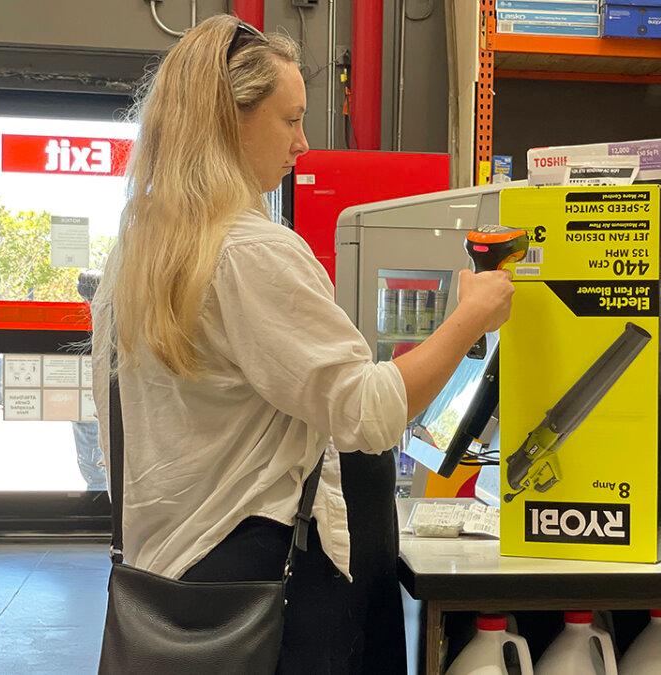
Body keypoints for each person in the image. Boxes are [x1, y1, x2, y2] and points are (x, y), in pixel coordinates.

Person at [89, 15, 513, 672]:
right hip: (268, 581)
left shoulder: (140, 258)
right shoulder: (252, 252)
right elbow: (369, 412)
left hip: (168, 570)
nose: (304, 143)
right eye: (291, 120)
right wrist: (468, 319)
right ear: (231, 120)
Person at [73, 270, 108, 492]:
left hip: (92, 390)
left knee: (89, 437)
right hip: (91, 389)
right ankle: (98, 491)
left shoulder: (98, 313)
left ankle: (96, 490)